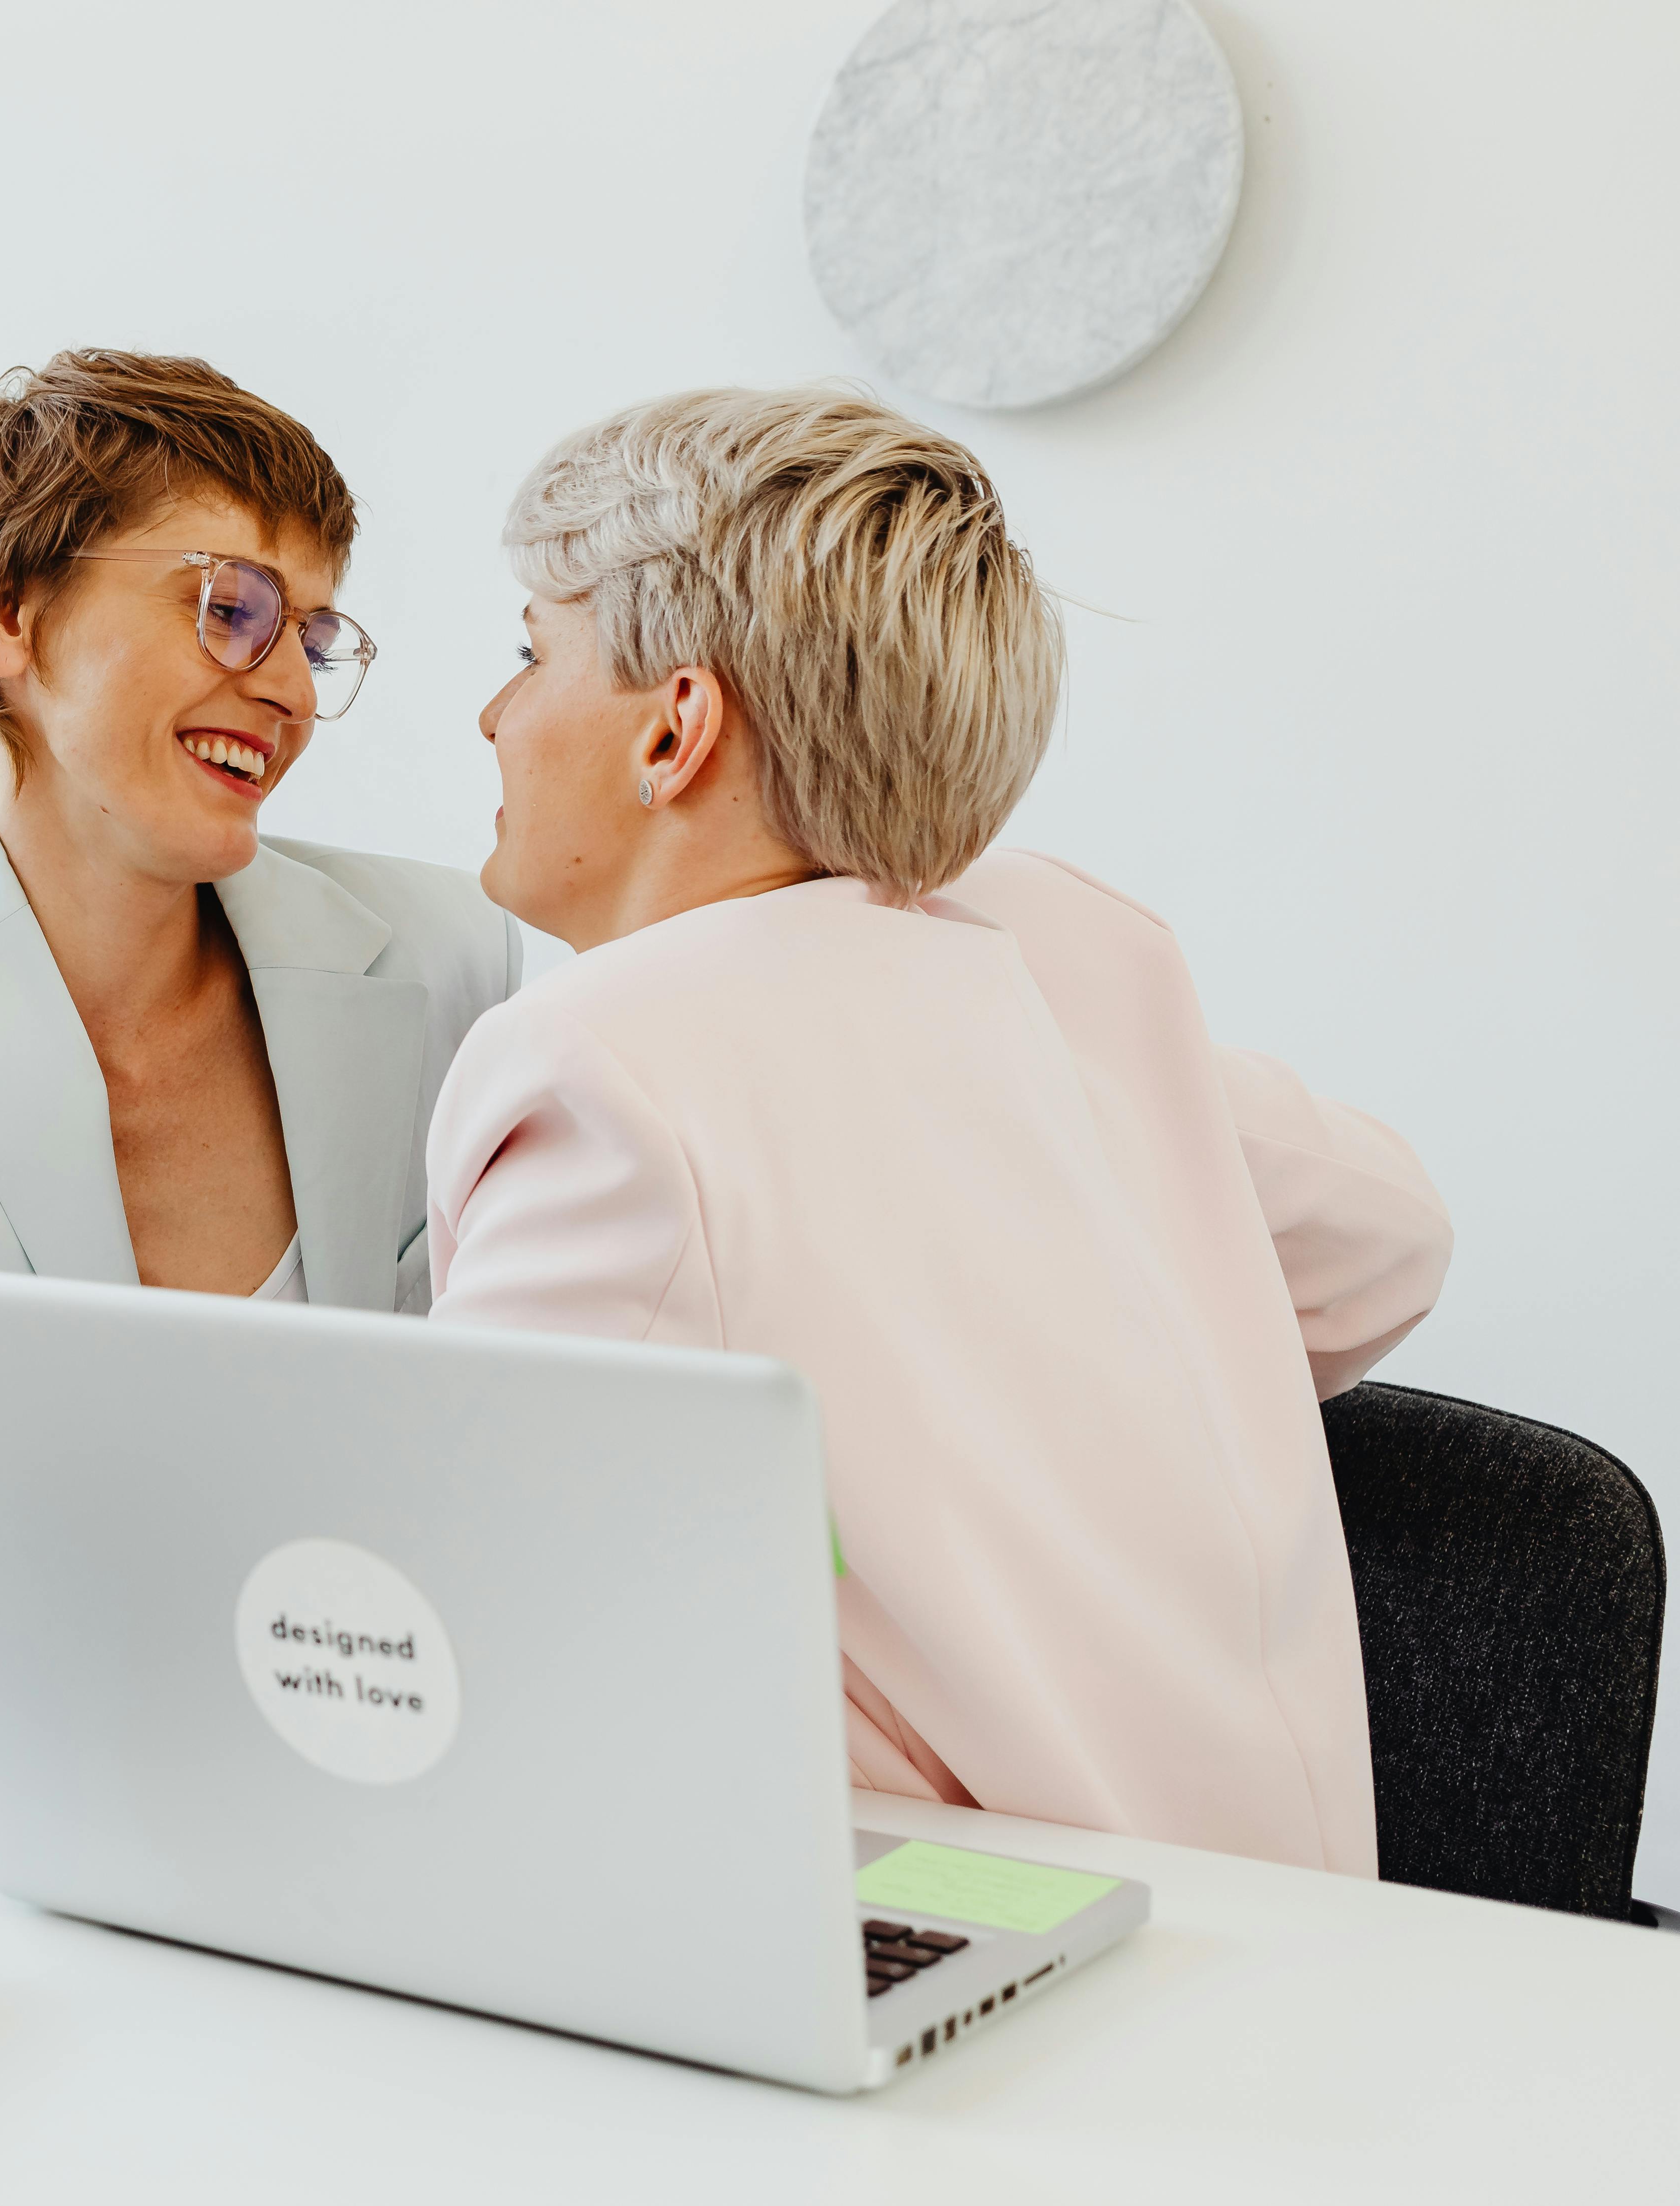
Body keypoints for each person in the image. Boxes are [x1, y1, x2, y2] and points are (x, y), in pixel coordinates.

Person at [426, 387, 1449, 1874]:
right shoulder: (1056, 946)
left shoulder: (607, 1066)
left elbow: (454, 1611)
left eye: (531, 652)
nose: (494, 713)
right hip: (1293, 1936)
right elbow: (1391, 1246)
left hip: (958, 1951)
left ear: (676, 728)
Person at [0, 350, 519, 1668]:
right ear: (5, 612)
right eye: (229, 608)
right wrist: (350, 1569)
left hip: (303, 1764)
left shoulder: (449, 956)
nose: (291, 690)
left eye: (310, 634)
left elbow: (521, 1475)